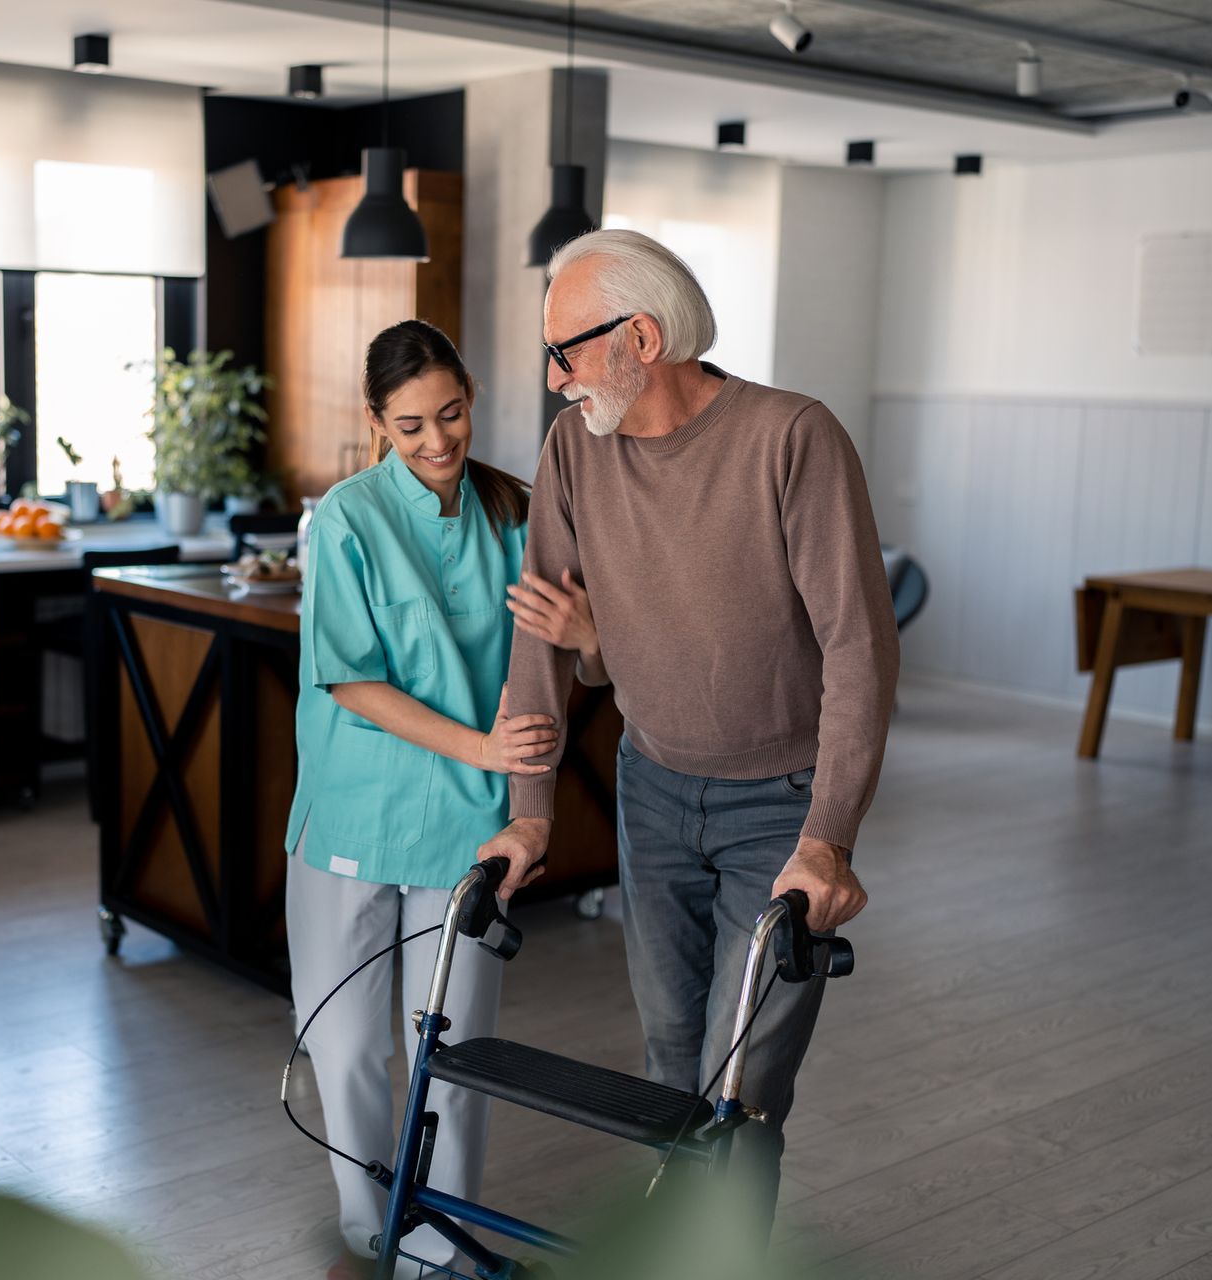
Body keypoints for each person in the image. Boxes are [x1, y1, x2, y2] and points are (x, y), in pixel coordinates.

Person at [486, 229, 900, 1233]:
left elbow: (859, 646)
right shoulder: (575, 450)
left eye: (567, 351)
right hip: (653, 788)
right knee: (670, 1059)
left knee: (742, 1087)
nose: (552, 380)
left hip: (781, 807)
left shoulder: (790, 437)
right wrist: (528, 817)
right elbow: (542, 640)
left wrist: (829, 835)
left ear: (642, 334)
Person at [285, 320, 577, 1279]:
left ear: (473, 397)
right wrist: (483, 745)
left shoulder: (518, 515)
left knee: (457, 1051)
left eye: (449, 415)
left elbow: (570, 653)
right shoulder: (345, 519)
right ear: (376, 422)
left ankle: (440, 1238)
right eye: (410, 426)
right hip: (355, 820)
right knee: (350, 1044)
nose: (437, 442)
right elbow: (351, 679)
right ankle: (374, 1227)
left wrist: (585, 632)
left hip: (470, 828)